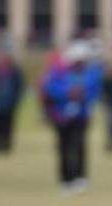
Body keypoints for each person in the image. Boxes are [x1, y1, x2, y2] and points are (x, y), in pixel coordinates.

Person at [43, 42, 102, 191]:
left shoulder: (90, 73)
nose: (80, 63)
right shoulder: (59, 71)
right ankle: (65, 179)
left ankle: (80, 177)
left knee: (79, 146)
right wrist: (67, 92)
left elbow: (94, 91)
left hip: (81, 116)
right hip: (62, 116)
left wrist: (83, 95)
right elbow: (50, 88)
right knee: (63, 147)